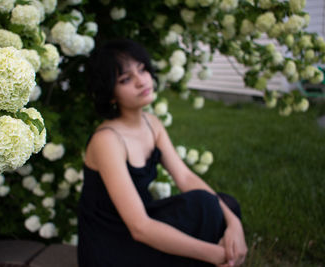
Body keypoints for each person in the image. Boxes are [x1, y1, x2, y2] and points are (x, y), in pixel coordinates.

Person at [77, 39, 247, 267]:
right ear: (111, 94)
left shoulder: (152, 124)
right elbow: (140, 227)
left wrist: (235, 223)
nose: (141, 81)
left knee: (224, 206)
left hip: (142, 221)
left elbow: (185, 178)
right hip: (113, 244)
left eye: (142, 69)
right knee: (206, 207)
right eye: (126, 79)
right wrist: (215, 255)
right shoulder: (107, 140)